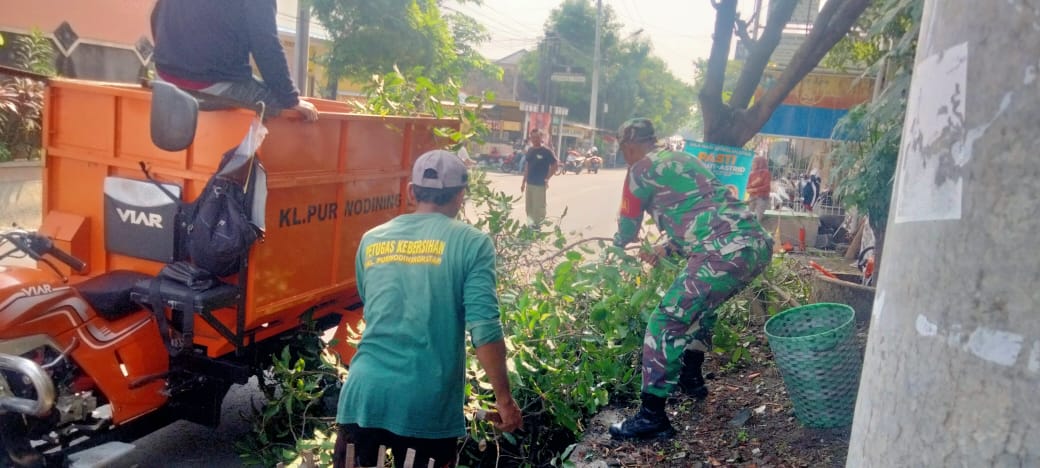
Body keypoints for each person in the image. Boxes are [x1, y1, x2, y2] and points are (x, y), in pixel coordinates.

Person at [334, 150, 522, 468]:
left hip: (363, 397)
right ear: (460, 196)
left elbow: (374, 307)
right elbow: (485, 330)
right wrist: (505, 401)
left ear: (411, 191)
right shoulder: (472, 243)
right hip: (426, 405)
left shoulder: (371, 240)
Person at [608, 118, 772, 440]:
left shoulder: (639, 169)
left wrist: (617, 245)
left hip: (723, 250)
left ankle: (651, 417)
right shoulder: (683, 159)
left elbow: (627, 226)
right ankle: (691, 379)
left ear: (628, 146)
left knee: (665, 321)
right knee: (702, 309)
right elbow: (703, 216)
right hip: (754, 243)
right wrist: (663, 249)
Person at [151, 0, 318, 122]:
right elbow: (265, 43)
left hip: (164, 79)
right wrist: (290, 99)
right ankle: (252, 168)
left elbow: (156, 16)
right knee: (287, 114)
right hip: (216, 83)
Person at [520, 129, 558, 227]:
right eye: (533, 137)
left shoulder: (546, 151)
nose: (535, 139)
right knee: (529, 207)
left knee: (538, 207)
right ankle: (530, 226)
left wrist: (547, 178)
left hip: (540, 185)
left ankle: (537, 227)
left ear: (541, 138)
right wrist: (523, 182)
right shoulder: (530, 150)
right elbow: (527, 167)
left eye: (537, 137)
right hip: (530, 184)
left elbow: (555, 165)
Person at [746, 156, 772, 222]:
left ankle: (756, 231)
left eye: (754, 162)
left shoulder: (766, 173)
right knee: (749, 217)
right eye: (752, 162)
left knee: (758, 218)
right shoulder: (751, 174)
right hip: (752, 198)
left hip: (762, 198)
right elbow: (748, 187)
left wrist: (755, 189)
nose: (752, 164)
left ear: (760, 163)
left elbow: (767, 187)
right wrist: (754, 183)